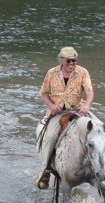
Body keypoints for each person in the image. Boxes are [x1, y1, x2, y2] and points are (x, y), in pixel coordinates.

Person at [35, 46, 94, 189]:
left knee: (98, 129)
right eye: (69, 61)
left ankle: (99, 169)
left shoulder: (83, 72)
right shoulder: (51, 73)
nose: (72, 64)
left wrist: (86, 105)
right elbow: (44, 93)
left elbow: (90, 92)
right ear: (61, 61)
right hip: (58, 112)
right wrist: (51, 106)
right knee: (49, 137)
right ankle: (46, 171)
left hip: (77, 110)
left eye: (74, 61)